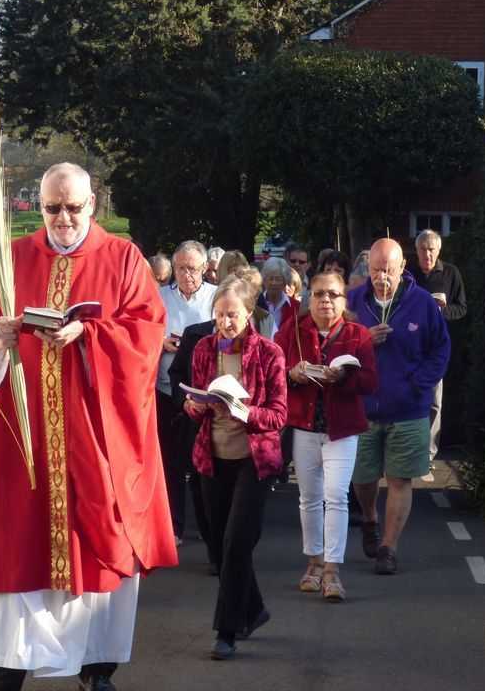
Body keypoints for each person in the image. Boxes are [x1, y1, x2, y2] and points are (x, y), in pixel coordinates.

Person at [0, 163, 176, 691]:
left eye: (73, 207)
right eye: (52, 207)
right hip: (24, 440)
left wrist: (91, 333)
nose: (62, 217)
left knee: (97, 542)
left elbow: (148, 335)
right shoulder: (11, 260)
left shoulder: (122, 258)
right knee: (21, 544)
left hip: (94, 440)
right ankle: (7, 666)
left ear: (92, 205)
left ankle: (95, 667)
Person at [184, 276, 287, 661]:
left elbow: (278, 415)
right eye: (220, 315)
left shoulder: (269, 353)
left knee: (236, 542)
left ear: (249, 315)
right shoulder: (203, 349)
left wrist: (244, 411)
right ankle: (255, 609)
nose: (225, 322)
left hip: (254, 459)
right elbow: (193, 400)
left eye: (233, 315)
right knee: (226, 544)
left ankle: (225, 631)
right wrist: (195, 406)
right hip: (212, 456)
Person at [348, 238, 450, 575]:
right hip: (361, 409)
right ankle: (369, 519)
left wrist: (417, 386)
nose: (381, 277)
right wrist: (363, 339)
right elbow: (333, 343)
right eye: (375, 270)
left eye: (388, 271)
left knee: (399, 480)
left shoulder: (422, 304)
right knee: (362, 479)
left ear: (402, 268)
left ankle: (388, 548)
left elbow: (440, 351)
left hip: (408, 410)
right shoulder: (354, 301)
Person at [275, 271, 377, 601]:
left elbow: (371, 383)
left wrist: (343, 377)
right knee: (308, 497)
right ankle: (314, 563)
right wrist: (292, 374)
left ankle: (333, 570)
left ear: (344, 300)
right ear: (309, 298)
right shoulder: (293, 329)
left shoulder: (357, 334)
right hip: (304, 425)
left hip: (342, 428)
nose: (325, 300)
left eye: (333, 294)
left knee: (336, 496)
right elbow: (274, 374)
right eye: (319, 293)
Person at [156, 240, 215, 546]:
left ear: (204, 269)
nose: (186, 274)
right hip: (167, 388)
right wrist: (161, 342)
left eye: (192, 268)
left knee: (205, 464)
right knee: (170, 463)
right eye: (180, 268)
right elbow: (143, 333)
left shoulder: (215, 298)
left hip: (206, 395)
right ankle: (173, 527)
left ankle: (210, 529)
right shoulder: (159, 297)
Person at [407, 229, 467, 470]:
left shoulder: (451, 273)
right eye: (423, 249)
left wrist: (441, 311)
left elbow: (461, 308)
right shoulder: (408, 273)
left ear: (439, 250)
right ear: (417, 250)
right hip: (409, 346)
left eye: (431, 249)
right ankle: (407, 450)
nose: (427, 254)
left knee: (433, 402)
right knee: (408, 398)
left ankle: (427, 455)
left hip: (436, 349)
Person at [259, 256, 300, 336]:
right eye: (271, 278)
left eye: (278, 279)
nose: (274, 283)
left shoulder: (296, 307)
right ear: (264, 281)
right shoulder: (255, 305)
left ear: (285, 282)